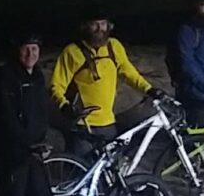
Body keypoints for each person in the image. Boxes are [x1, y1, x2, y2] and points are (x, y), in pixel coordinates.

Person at [46, 11, 153, 156]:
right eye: (94, 25)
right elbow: (56, 85)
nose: (99, 29)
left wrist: (150, 90)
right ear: (84, 27)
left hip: (108, 123)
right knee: (82, 172)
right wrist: (64, 106)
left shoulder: (114, 47)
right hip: (82, 124)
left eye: (103, 24)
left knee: (107, 173)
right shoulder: (72, 52)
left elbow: (130, 74)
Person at [0, 30, 55, 196]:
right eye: (26, 49)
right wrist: (26, 143)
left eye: (35, 49)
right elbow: (5, 115)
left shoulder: (37, 76)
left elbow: (43, 109)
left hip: (34, 151)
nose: (30, 54)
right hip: (12, 152)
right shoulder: (3, 76)